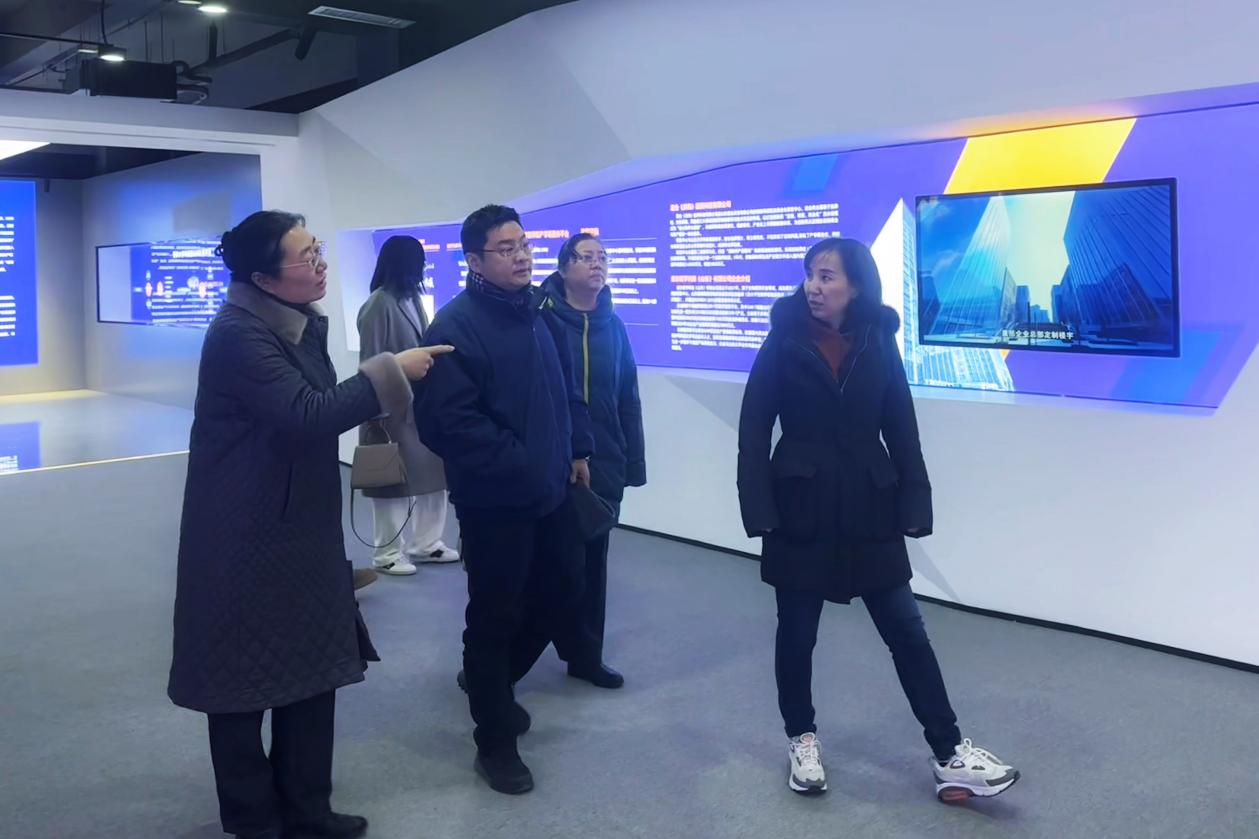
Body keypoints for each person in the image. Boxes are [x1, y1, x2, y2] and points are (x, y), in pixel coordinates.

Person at [167, 211, 452, 839]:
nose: (322, 264)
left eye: (319, 249)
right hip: (241, 532)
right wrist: (391, 371)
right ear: (265, 278)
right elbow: (306, 413)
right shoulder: (238, 334)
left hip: (298, 525)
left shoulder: (297, 324)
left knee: (313, 669)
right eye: (308, 256)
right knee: (239, 682)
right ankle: (254, 818)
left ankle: (308, 808)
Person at [737, 237, 1019, 802]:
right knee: (797, 633)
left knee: (907, 631)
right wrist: (759, 510)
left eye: (827, 276)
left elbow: (902, 427)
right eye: (810, 274)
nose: (813, 286)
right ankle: (802, 739)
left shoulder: (878, 338)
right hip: (801, 508)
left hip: (870, 506)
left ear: (856, 286)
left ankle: (949, 752)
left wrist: (915, 503)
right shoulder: (783, 337)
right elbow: (753, 429)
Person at [415, 204, 593, 796]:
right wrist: (522, 461)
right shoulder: (454, 326)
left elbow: (563, 390)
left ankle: (489, 683)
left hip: (552, 490)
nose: (522, 256)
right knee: (494, 617)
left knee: (563, 595)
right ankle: (494, 741)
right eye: (506, 248)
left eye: (524, 244)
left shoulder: (539, 312)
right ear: (474, 260)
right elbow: (446, 423)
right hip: (496, 502)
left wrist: (576, 448)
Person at [538, 233, 646, 689]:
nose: (597, 264)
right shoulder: (541, 320)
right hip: (551, 462)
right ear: (564, 268)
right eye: (586, 257)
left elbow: (628, 396)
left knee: (593, 565)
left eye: (602, 257)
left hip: (603, 462)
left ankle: (586, 656)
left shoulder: (613, 326)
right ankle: (499, 662)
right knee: (544, 565)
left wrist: (632, 462)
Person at [356, 235, 458, 575]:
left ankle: (426, 544)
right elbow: (371, 361)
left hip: (421, 407)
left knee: (434, 477)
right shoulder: (378, 304)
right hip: (389, 410)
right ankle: (387, 553)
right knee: (392, 484)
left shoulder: (412, 297)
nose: (423, 268)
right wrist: (377, 413)